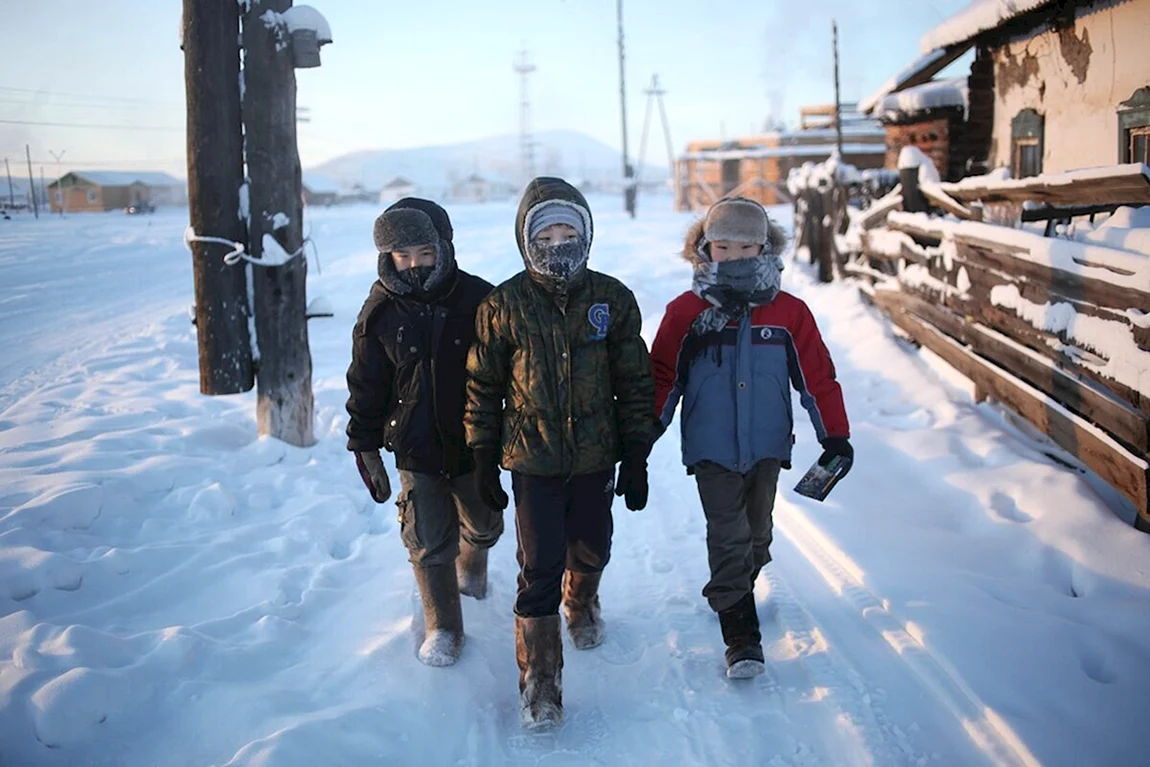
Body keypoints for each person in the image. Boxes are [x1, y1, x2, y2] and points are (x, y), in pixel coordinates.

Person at [464, 177, 655, 728]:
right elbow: (482, 386)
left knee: (592, 547)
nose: (557, 243)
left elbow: (634, 381)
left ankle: (583, 600)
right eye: (545, 233)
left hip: (596, 456)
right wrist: (482, 454)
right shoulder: (503, 304)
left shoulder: (612, 299)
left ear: (587, 235)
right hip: (532, 461)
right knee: (539, 566)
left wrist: (637, 454)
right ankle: (540, 681)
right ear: (526, 240)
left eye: (568, 230)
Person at [649, 196, 852, 679]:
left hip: (766, 446)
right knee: (729, 535)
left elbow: (817, 378)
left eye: (745, 247)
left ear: (763, 247)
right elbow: (661, 376)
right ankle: (741, 636)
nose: (733, 257)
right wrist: (641, 438)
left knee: (757, 536)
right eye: (722, 247)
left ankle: (736, 584)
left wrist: (836, 436)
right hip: (710, 447)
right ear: (704, 247)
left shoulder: (789, 313)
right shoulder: (686, 312)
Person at [346, 198, 504, 667]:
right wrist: (364, 443)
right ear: (387, 257)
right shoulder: (380, 310)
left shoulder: (479, 299)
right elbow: (366, 381)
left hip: (473, 443)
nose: (414, 265)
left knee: (483, 523)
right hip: (414, 446)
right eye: (402, 256)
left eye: (424, 253)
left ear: (444, 247)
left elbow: (508, 372)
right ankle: (443, 625)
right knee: (427, 538)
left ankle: (473, 564)